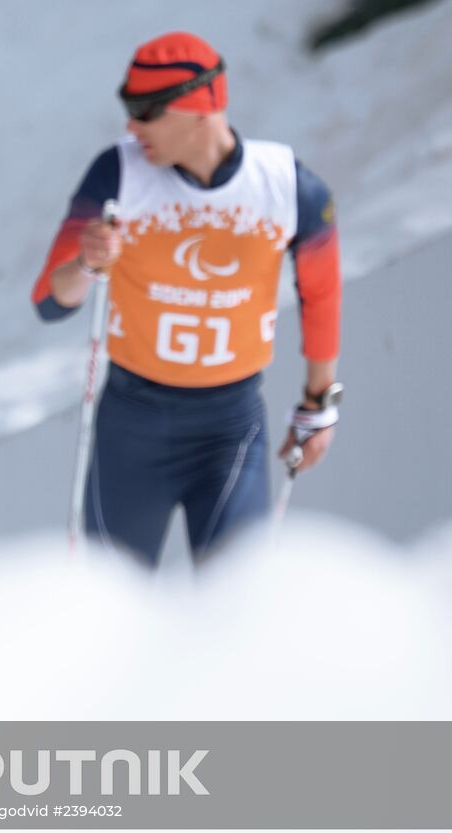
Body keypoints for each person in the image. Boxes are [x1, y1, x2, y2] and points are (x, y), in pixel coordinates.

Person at [31, 32, 343, 567]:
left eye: (146, 111)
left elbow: (321, 294)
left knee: (232, 608)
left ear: (200, 107)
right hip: (133, 423)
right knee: (114, 610)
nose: (132, 126)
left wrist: (319, 405)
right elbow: (50, 301)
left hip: (230, 430)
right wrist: (86, 263)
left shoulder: (289, 187)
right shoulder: (118, 174)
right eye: (128, 109)